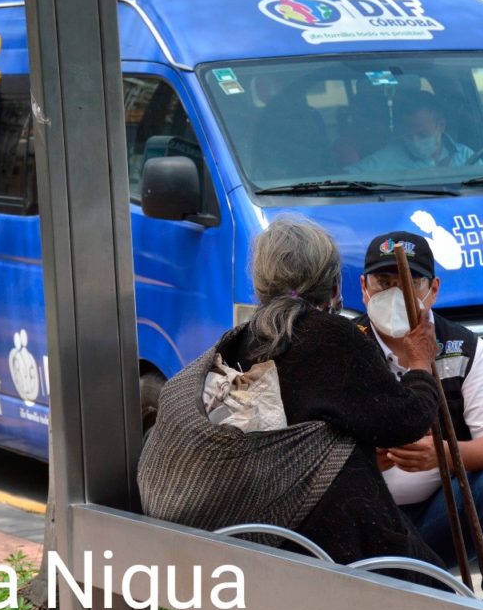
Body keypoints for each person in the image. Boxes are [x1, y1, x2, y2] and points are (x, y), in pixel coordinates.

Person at [138, 216, 449, 579]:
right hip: (322, 544)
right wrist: (419, 363)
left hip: (243, 541)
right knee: (441, 592)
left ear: (260, 283)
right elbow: (406, 420)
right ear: (334, 285)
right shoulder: (331, 336)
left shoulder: (242, 338)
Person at [353, 230, 483, 607]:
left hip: (442, 515)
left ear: (433, 290)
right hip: (367, 520)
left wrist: (444, 457)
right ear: (364, 288)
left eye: (408, 282)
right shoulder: (346, 346)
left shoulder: (462, 346)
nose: (394, 293)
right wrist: (364, 460)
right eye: (382, 283)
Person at [349, 91, 474, 172]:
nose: (415, 141)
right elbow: (344, 179)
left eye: (422, 135)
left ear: (441, 125)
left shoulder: (465, 155)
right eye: (409, 135)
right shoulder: (388, 158)